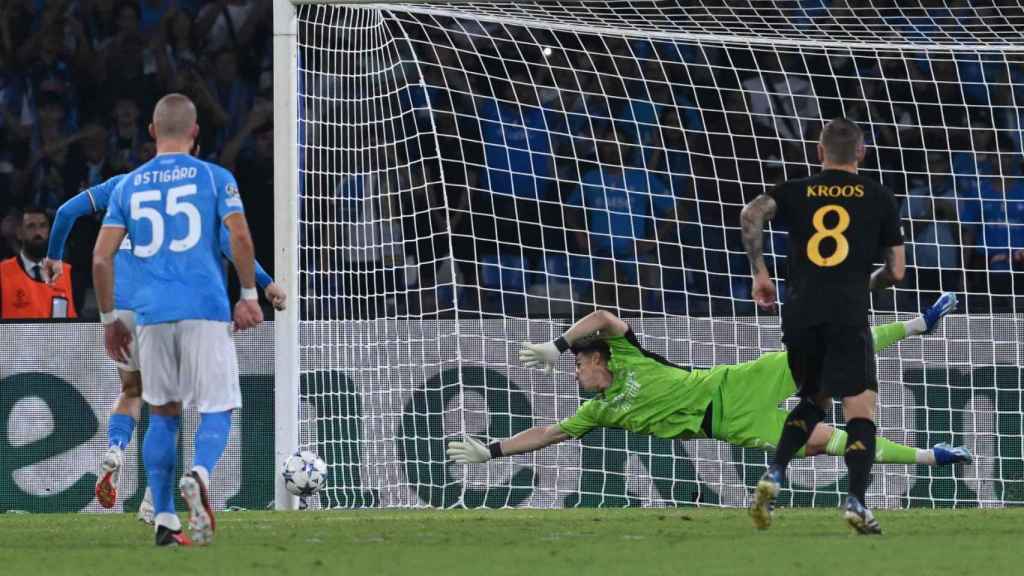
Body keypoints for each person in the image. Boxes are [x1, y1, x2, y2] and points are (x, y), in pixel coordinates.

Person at [447, 297, 967, 491]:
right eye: (574, 365)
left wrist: (556, 345)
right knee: (831, 442)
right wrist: (492, 451)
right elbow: (547, 433)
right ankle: (932, 456)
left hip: (732, 383)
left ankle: (917, 326)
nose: (575, 374)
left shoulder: (625, 353)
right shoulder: (596, 411)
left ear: (598, 358)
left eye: (579, 364)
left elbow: (603, 316)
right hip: (732, 427)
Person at [44, 172, 285, 523]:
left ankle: (116, 449)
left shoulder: (121, 186)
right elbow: (227, 240)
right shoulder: (195, 188)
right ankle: (156, 497)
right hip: (164, 306)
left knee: (131, 389)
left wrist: (53, 256)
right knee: (173, 405)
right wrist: (264, 284)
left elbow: (66, 213)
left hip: (120, 304)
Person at [93, 93, 262, 547]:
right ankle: (201, 475)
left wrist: (111, 318)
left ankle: (165, 517)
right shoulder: (214, 177)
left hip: (150, 316)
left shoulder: (128, 186)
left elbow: (101, 258)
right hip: (204, 309)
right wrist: (248, 294)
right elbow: (239, 235)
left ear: (151, 132)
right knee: (217, 407)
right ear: (194, 133)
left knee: (162, 415)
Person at [739, 118, 905, 534]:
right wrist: (872, 282)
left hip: (800, 312)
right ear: (861, 153)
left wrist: (760, 272)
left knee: (814, 399)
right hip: (847, 312)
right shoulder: (879, 197)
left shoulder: (796, 190)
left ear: (820, 153)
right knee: (860, 406)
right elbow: (897, 272)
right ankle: (856, 502)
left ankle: (775, 472)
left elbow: (751, 213)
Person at [0, 207, 76, 319]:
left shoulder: (67, 273)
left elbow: (78, 326)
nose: (38, 232)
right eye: (31, 226)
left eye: (43, 226)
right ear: (19, 233)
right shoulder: (2, 272)